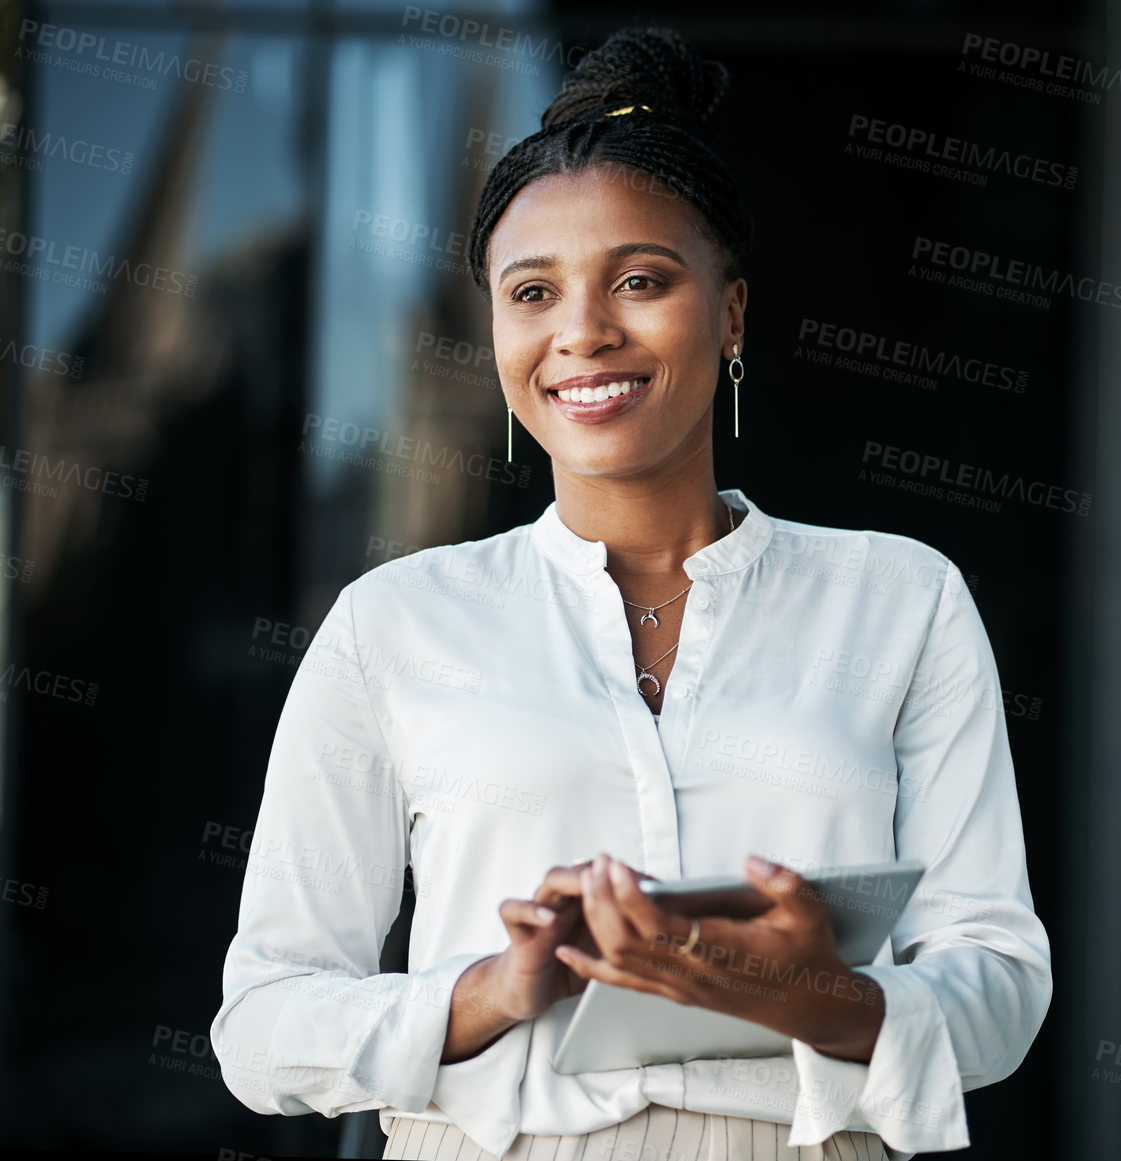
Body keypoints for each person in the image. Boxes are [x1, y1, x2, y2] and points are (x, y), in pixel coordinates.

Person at [211, 26, 1051, 1161]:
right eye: (532, 292)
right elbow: (262, 1028)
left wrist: (813, 995)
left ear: (734, 313)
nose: (582, 332)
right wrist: (492, 990)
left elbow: (998, 988)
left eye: (641, 281)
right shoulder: (393, 624)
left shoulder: (900, 599)